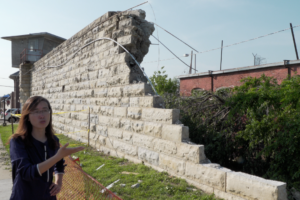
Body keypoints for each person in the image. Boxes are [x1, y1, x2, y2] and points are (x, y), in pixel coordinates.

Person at [8, 96, 84, 200]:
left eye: (45, 110)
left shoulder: (53, 140)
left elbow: (59, 163)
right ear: (27, 116)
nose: (42, 115)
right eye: (35, 111)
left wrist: (58, 182)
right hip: (24, 196)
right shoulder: (18, 141)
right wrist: (57, 157)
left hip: (48, 196)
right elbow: (26, 172)